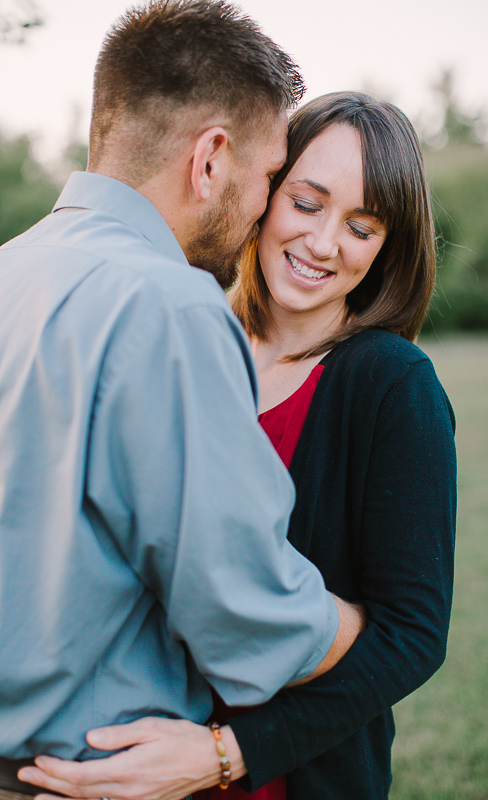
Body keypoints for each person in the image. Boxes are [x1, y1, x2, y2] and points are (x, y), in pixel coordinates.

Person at [21, 92, 457, 800]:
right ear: (263, 193)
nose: (321, 244)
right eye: (306, 203)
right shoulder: (182, 335)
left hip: (276, 775)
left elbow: (411, 636)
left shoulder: (390, 384)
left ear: (386, 249)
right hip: (125, 757)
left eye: (361, 226)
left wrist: (228, 753)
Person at [0, 5, 369, 798]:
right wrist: (369, 625)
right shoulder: (169, 304)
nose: (265, 202)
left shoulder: (11, 269)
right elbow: (243, 612)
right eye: (272, 174)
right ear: (211, 159)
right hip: (92, 777)